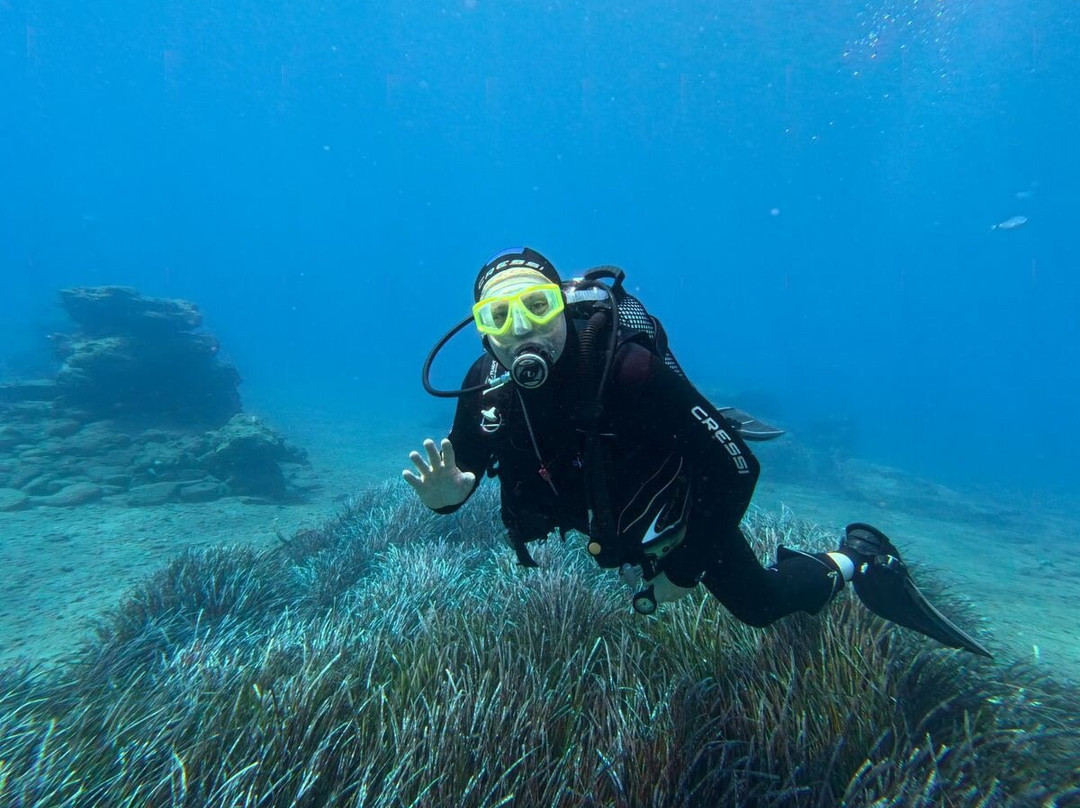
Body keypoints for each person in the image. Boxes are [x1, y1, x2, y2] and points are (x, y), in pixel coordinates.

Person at [403, 247, 990, 656]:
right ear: (483, 331)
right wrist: (448, 500)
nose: (520, 329)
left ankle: (858, 558)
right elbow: (465, 470)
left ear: (561, 304)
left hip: (673, 511)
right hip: (601, 514)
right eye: (498, 315)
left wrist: (683, 572)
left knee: (760, 606)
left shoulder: (628, 370)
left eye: (537, 305)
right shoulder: (487, 385)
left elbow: (738, 466)